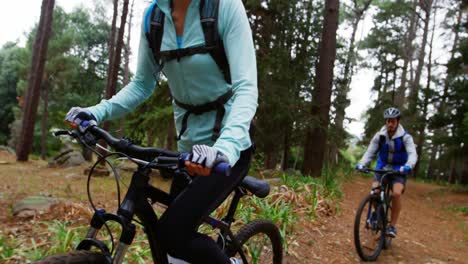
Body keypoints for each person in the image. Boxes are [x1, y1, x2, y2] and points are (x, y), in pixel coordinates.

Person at [65, 0, 257, 263]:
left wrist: (224, 149)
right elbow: (142, 84)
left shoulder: (224, 7)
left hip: (229, 150)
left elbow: (246, 87)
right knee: (172, 250)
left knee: (172, 234)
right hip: (188, 152)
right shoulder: (154, 17)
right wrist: (97, 112)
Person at [355, 107, 417, 238]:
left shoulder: (406, 137)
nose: (390, 124)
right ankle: (376, 214)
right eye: (388, 121)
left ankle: (392, 226)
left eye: (393, 121)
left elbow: (412, 154)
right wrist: (362, 164)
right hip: (382, 166)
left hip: (399, 169)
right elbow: (370, 152)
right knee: (375, 192)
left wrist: (408, 166)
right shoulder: (380, 136)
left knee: (396, 193)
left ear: (398, 122)